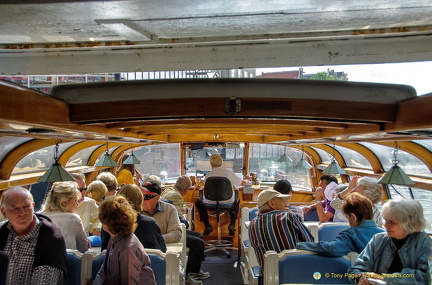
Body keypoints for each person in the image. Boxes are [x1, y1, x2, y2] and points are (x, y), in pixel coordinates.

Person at [348, 198, 432, 285]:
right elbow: (355, 270)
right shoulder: (378, 240)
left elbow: (423, 277)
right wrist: (360, 278)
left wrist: (384, 279)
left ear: (408, 223)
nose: (385, 225)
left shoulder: (424, 243)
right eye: (385, 220)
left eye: (392, 222)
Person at [140, 181, 210, 284]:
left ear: (157, 198)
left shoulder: (169, 209)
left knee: (197, 241)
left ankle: (188, 275)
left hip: (164, 249)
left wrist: (155, 240)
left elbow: (177, 234)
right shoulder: (135, 210)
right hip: (140, 251)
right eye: (141, 196)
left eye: (147, 197)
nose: (143, 200)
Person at [0, 186, 68, 284]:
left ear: (33, 206)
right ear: (4, 212)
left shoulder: (49, 237)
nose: (22, 212)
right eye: (15, 208)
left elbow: (43, 282)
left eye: (26, 206)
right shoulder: (2, 230)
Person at [249, 189, 314, 281]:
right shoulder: (288, 216)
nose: (286, 204)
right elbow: (310, 241)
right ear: (271, 203)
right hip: (295, 275)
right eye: (282, 201)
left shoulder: (252, 224)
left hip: (267, 278)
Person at [296, 193, 384, 256]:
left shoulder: (351, 235)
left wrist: (301, 244)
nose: (347, 219)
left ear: (353, 217)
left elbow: (331, 249)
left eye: (347, 216)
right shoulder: (384, 233)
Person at [94, 195, 156, 285]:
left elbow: (129, 282)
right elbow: (102, 273)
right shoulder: (114, 239)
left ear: (106, 223)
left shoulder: (128, 249)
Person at [161, 176, 210, 281]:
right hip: (171, 230)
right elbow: (178, 218)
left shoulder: (169, 190)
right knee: (198, 243)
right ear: (186, 189)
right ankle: (191, 273)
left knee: (199, 235)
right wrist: (185, 215)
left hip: (166, 227)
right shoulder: (176, 196)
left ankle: (196, 269)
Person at [195, 153, 250, 236]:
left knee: (198, 201)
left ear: (211, 164)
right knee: (236, 201)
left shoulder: (208, 175)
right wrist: (247, 180)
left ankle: (207, 225)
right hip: (227, 202)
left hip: (210, 203)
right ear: (222, 163)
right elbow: (241, 183)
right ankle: (232, 225)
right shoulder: (228, 173)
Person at [101, 184, 166, 252]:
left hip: (114, 262)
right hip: (145, 262)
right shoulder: (148, 223)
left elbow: (104, 250)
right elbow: (161, 250)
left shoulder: (108, 223)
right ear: (140, 201)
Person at [40, 181, 90, 253]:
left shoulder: (38, 216)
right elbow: (83, 248)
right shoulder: (74, 219)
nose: (77, 204)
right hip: (65, 262)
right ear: (65, 202)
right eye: (75, 201)